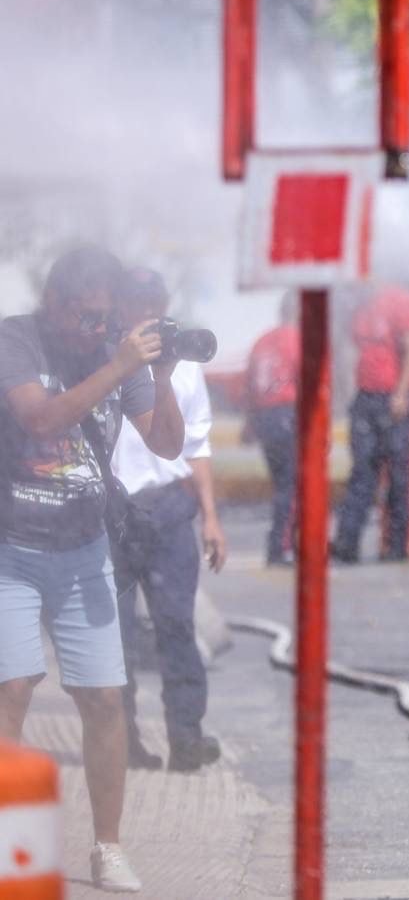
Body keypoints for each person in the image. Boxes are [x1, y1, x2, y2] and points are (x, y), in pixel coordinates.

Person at [0, 246, 184, 893]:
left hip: (84, 550)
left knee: (105, 699)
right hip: (11, 547)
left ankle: (108, 846)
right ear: (54, 303)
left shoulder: (115, 352)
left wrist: (160, 375)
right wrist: (119, 364)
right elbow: (40, 417)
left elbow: (166, 443)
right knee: (12, 687)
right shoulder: (17, 340)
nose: (96, 329)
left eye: (105, 318)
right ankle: (10, 844)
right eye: (85, 317)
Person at [110, 268, 226, 774]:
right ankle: (123, 743)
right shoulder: (106, 359)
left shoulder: (182, 365)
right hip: (113, 512)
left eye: (154, 303)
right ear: (120, 308)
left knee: (177, 626)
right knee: (115, 638)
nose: (148, 314)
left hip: (169, 509)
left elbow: (197, 446)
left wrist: (211, 518)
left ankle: (186, 738)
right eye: (137, 304)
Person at [331, 282, 409, 564]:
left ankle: (397, 545)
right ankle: (347, 542)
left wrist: (401, 392)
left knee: (398, 474)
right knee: (362, 472)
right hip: (367, 396)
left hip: (394, 395)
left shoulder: (400, 301)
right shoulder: (359, 306)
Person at [243, 293, 300, 566]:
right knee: (292, 484)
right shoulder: (296, 339)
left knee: (282, 484)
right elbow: (306, 379)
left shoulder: (263, 341)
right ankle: (282, 545)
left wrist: (250, 421)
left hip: (266, 415)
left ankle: (284, 542)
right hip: (287, 412)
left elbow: (249, 385)